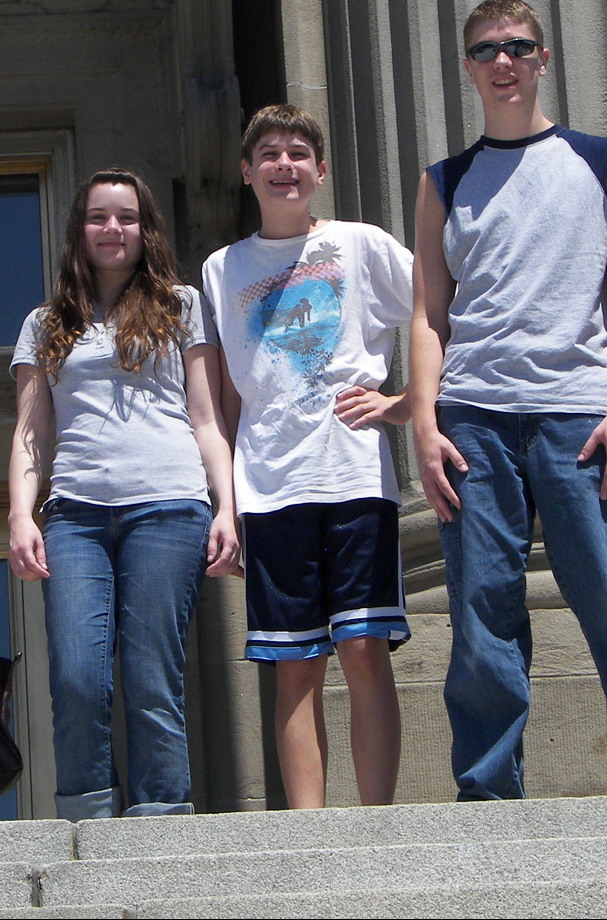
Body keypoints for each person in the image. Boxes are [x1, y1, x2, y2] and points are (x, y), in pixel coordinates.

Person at [410, 0, 607, 801]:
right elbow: (429, 314)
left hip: (581, 411)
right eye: (485, 51)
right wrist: (425, 425)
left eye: (518, 46)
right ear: (469, 69)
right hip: (474, 417)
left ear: (542, 58)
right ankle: (488, 788)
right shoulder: (445, 180)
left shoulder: (600, 157)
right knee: (481, 613)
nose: (502, 61)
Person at [8, 169, 240, 820]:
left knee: (150, 675)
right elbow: (31, 432)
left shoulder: (181, 305)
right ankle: (86, 817)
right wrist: (20, 515)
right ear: (79, 230)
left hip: (169, 505)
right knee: (78, 677)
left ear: (146, 230)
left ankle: (160, 819)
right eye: (99, 217)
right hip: (75, 514)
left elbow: (205, 418)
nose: (113, 229)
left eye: (127, 217)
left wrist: (227, 507)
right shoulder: (45, 322)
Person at [200, 105, 411, 810]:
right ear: (247, 171)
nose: (283, 164)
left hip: (353, 475)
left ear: (319, 171)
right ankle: (308, 831)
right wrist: (225, 503)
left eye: (297, 153)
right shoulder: (223, 268)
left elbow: (446, 312)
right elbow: (227, 395)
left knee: (362, 648)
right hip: (270, 485)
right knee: (295, 661)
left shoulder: (361, 244)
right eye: (269, 153)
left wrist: (405, 404)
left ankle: (376, 820)